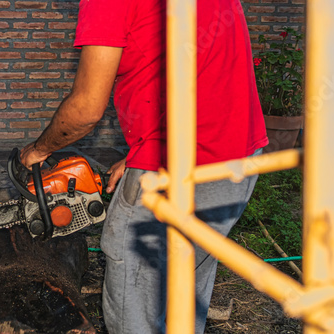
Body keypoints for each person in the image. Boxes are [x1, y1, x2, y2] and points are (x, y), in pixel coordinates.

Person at [19, 0, 268, 333]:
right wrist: (142, 147)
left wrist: (38, 150)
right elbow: (192, 59)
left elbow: (86, 109)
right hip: (240, 153)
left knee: (131, 271)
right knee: (187, 273)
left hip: (177, 167)